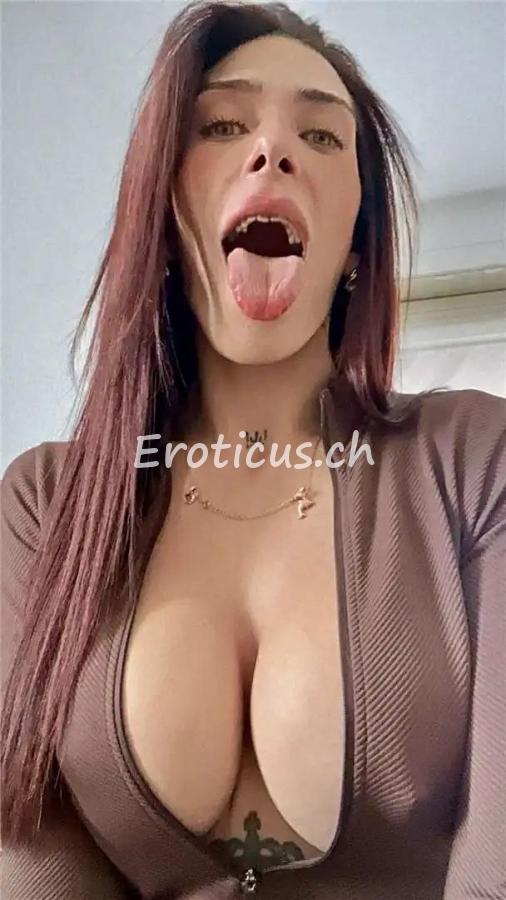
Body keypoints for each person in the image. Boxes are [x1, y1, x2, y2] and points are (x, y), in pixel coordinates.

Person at [1, 2, 505, 898]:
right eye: (223, 126)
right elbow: (30, 842)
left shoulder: (476, 464)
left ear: (357, 238)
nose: (272, 151)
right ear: (166, 210)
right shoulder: (42, 504)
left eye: (321, 135)